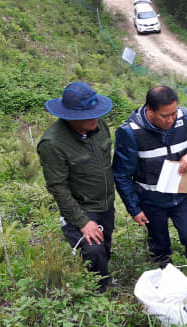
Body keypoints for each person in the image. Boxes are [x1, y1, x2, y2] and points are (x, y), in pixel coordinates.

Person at [112, 86, 187, 281]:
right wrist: (134, 209)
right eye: (165, 115)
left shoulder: (184, 117)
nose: (171, 119)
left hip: (182, 192)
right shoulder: (130, 133)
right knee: (159, 242)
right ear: (149, 111)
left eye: (173, 113)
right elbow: (121, 174)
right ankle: (165, 280)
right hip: (151, 199)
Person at [37, 82, 115, 292]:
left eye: (95, 113)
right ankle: (99, 291)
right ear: (70, 117)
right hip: (82, 207)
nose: (94, 119)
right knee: (92, 249)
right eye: (87, 116)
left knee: (105, 245)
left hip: (106, 202)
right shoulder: (52, 144)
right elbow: (57, 187)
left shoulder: (99, 126)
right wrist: (82, 221)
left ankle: (103, 274)